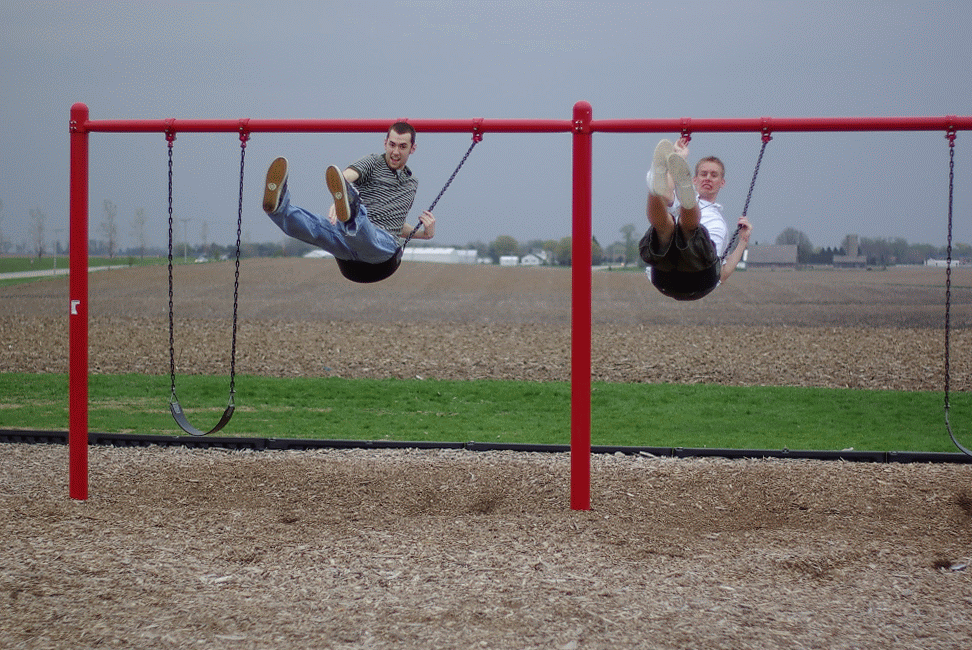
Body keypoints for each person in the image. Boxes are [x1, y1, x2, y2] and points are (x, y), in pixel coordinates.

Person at [261, 122, 435, 265]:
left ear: (412, 148)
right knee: (316, 228)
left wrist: (423, 234)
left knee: (365, 231)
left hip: (383, 247)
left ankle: (350, 211)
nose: (395, 152)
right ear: (385, 143)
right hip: (349, 242)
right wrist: (339, 192)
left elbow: (397, 224)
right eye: (392, 145)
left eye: (402, 146)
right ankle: (278, 207)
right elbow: (347, 176)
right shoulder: (374, 162)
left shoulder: (411, 183)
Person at [639, 137, 753, 300]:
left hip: (698, 279)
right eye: (703, 174)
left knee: (690, 232)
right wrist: (678, 157)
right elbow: (667, 193)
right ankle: (654, 185)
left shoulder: (717, 222)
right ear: (694, 179)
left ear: (722, 182)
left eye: (714, 175)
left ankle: (679, 194)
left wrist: (743, 241)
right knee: (666, 225)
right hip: (665, 275)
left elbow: (722, 274)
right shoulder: (678, 201)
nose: (708, 178)